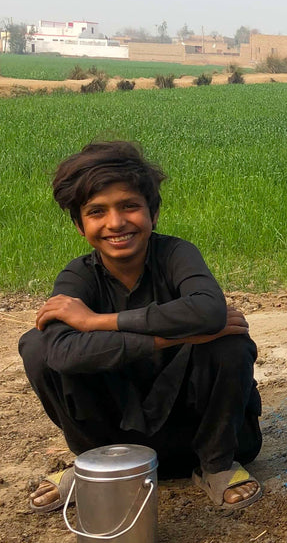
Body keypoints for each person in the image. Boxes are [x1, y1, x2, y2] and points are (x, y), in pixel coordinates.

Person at [20, 141, 264, 512]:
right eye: (97, 211)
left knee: (228, 343)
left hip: (194, 434)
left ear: (154, 212)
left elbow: (210, 311)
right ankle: (94, 467)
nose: (116, 222)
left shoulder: (177, 254)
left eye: (129, 206)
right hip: (116, 442)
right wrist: (174, 337)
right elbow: (61, 353)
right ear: (79, 225)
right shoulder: (78, 277)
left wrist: (97, 322)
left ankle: (216, 466)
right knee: (37, 347)